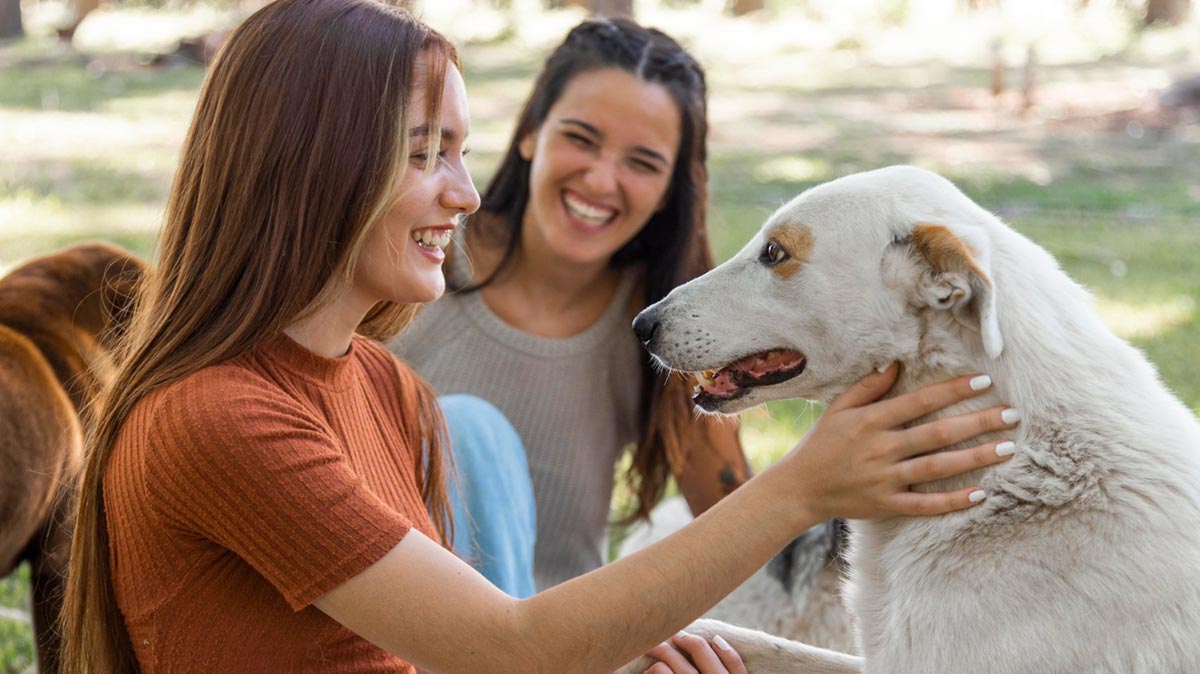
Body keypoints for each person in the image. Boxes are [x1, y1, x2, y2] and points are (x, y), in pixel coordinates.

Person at [59, 2, 1018, 672]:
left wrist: (610, 648)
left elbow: (450, 647)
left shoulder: (379, 388)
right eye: (424, 153)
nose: (464, 193)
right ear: (311, 166)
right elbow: (506, 654)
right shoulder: (218, 420)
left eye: (461, 152)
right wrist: (804, 485)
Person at [392, 18, 752, 598]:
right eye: (581, 139)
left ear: (669, 190)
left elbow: (744, 529)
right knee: (466, 429)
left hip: (561, 644)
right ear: (532, 131)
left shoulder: (660, 330)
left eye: (642, 162)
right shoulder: (413, 263)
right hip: (390, 633)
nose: (602, 180)